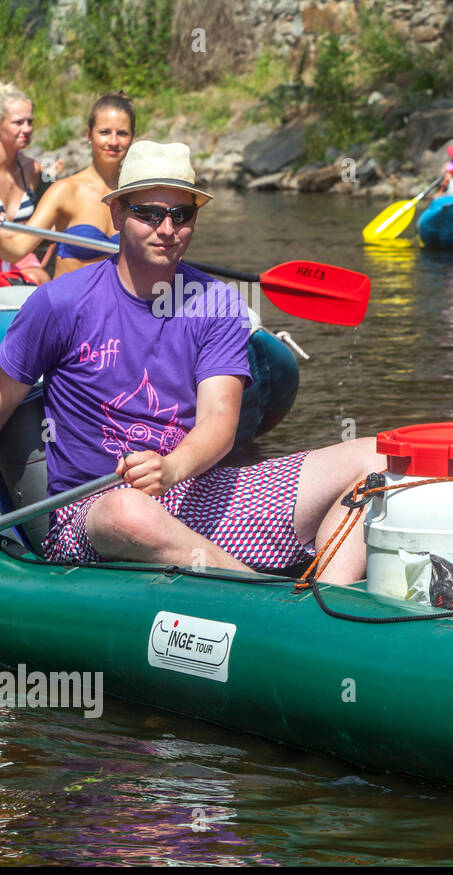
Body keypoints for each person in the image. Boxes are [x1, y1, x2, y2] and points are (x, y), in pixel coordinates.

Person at [0, 141, 387, 583]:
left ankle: (329, 601)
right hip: (92, 511)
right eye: (148, 213)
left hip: (194, 490)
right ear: (118, 215)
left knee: (375, 455)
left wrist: (172, 468)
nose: (167, 228)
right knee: (130, 509)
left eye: (180, 215)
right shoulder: (58, 303)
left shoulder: (217, 303)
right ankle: (270, 600)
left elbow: (220, 420)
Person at [0, 91, 133, 277]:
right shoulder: (64, 191)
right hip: (73, 304)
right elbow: (17, 248)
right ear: (89, 134)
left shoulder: (137, 195)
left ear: (132, 137)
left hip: (119, 305)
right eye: (104, 132)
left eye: (122, 133)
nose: (113, 141)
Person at [0, 83, 55, 284]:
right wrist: (30, 229)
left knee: (40, 279)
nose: (27, 129)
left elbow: (53, 222)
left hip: (23, 261)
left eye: (30, 122)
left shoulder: (33, 169)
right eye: (18, 122)